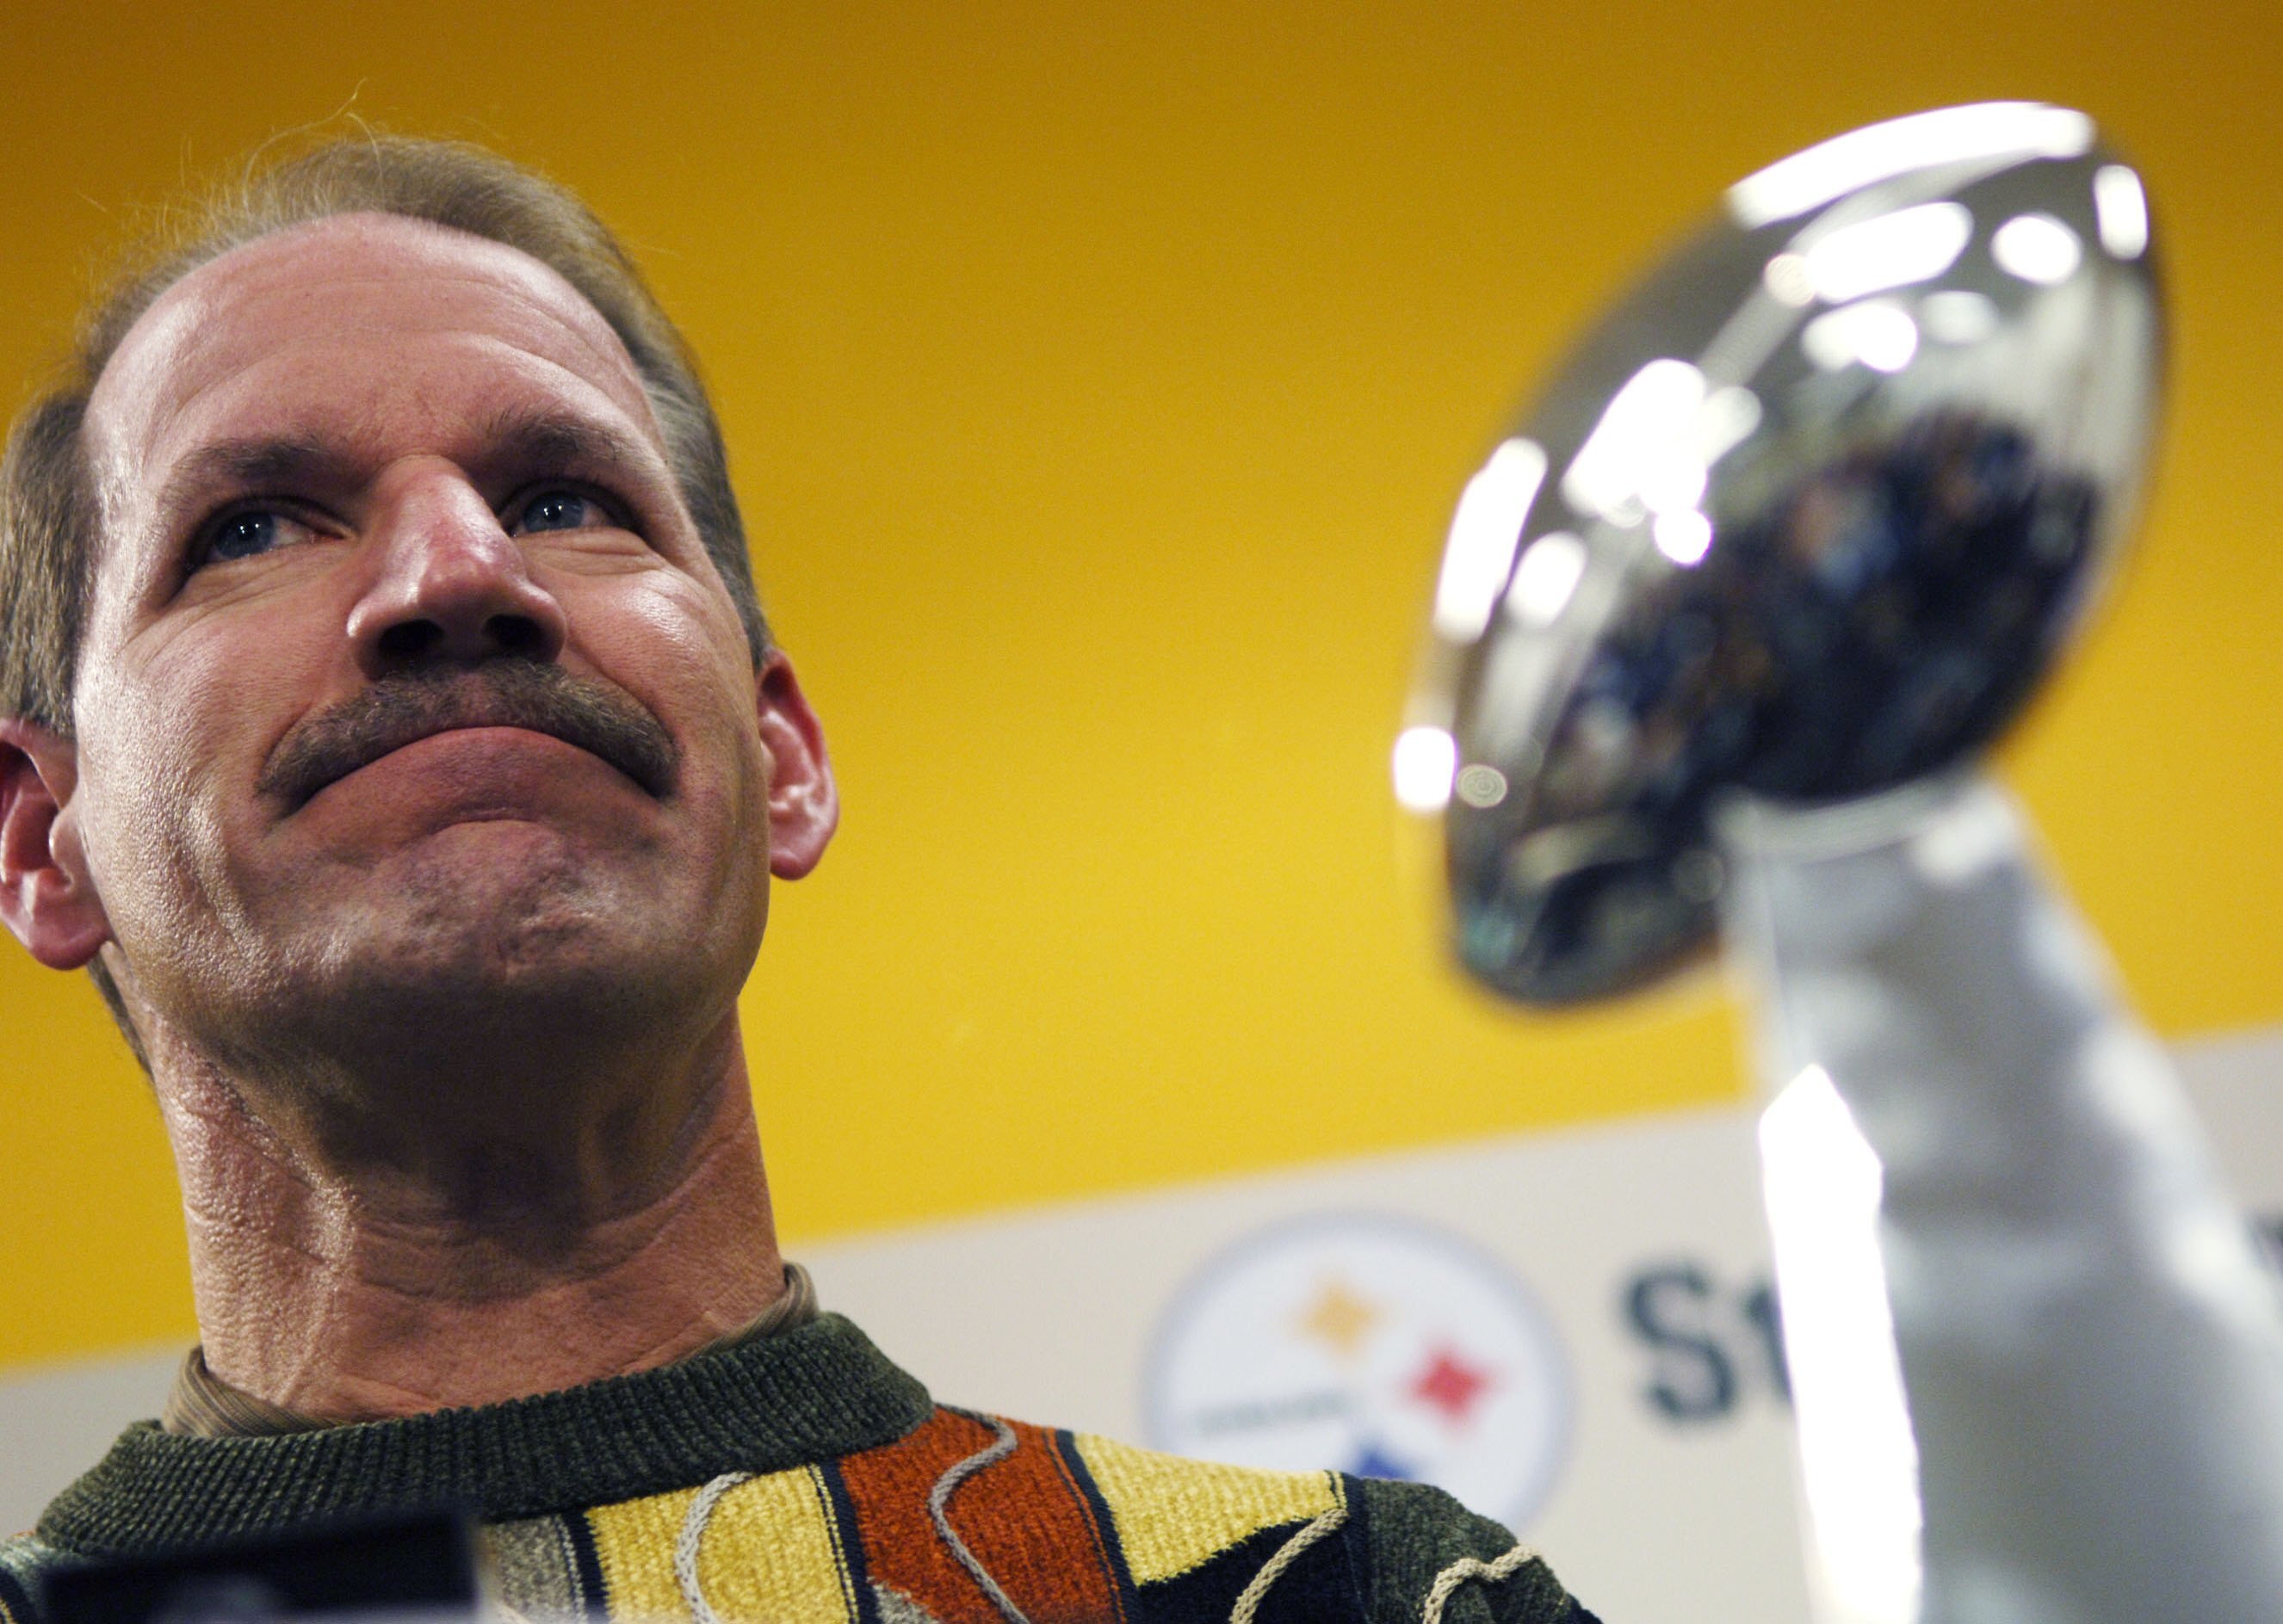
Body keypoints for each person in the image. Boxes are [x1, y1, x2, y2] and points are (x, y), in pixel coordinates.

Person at [0, 134, 1593, 1624]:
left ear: (786, 761)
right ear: (38, 841)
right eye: (254, 525)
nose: (461, 574)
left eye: (567, 501)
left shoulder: (1358, 1601)